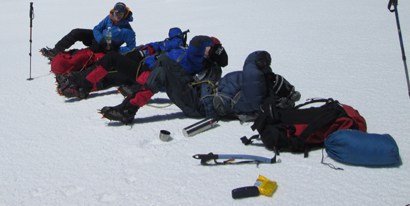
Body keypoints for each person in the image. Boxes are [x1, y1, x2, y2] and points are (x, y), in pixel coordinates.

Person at [99, 50, 300, 125]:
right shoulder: (254, 84)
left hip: (199, 106)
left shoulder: (256, 97)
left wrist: (260, 64)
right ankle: (134, 94)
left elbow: (252, 67)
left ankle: (128, 109)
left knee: (162, 71)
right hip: (199, 89)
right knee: (164, 62)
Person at [58, 33, 228, 100]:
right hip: (148, 63)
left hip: (149, 73)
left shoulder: (196, 60)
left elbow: (195, 46)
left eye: (209, 46)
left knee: (113, 67)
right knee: (113, 72)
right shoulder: (189, 52)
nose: (206, 47)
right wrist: (176, 35)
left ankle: (79, 84)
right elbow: (172, 41)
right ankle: (75, 81)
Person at [40, 2, 136, 60]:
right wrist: (101, 40)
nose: (118, 15)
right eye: (116, 12)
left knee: (87, 53)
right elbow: (97, 29)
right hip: (100, 39)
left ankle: (64, 58)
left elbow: (131, 48)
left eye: (121, 13)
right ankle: (56, 51)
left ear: (125, 14)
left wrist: (116, 50)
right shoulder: (109, 18)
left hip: (108, 47)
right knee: (76, 32)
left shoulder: (128, 31)